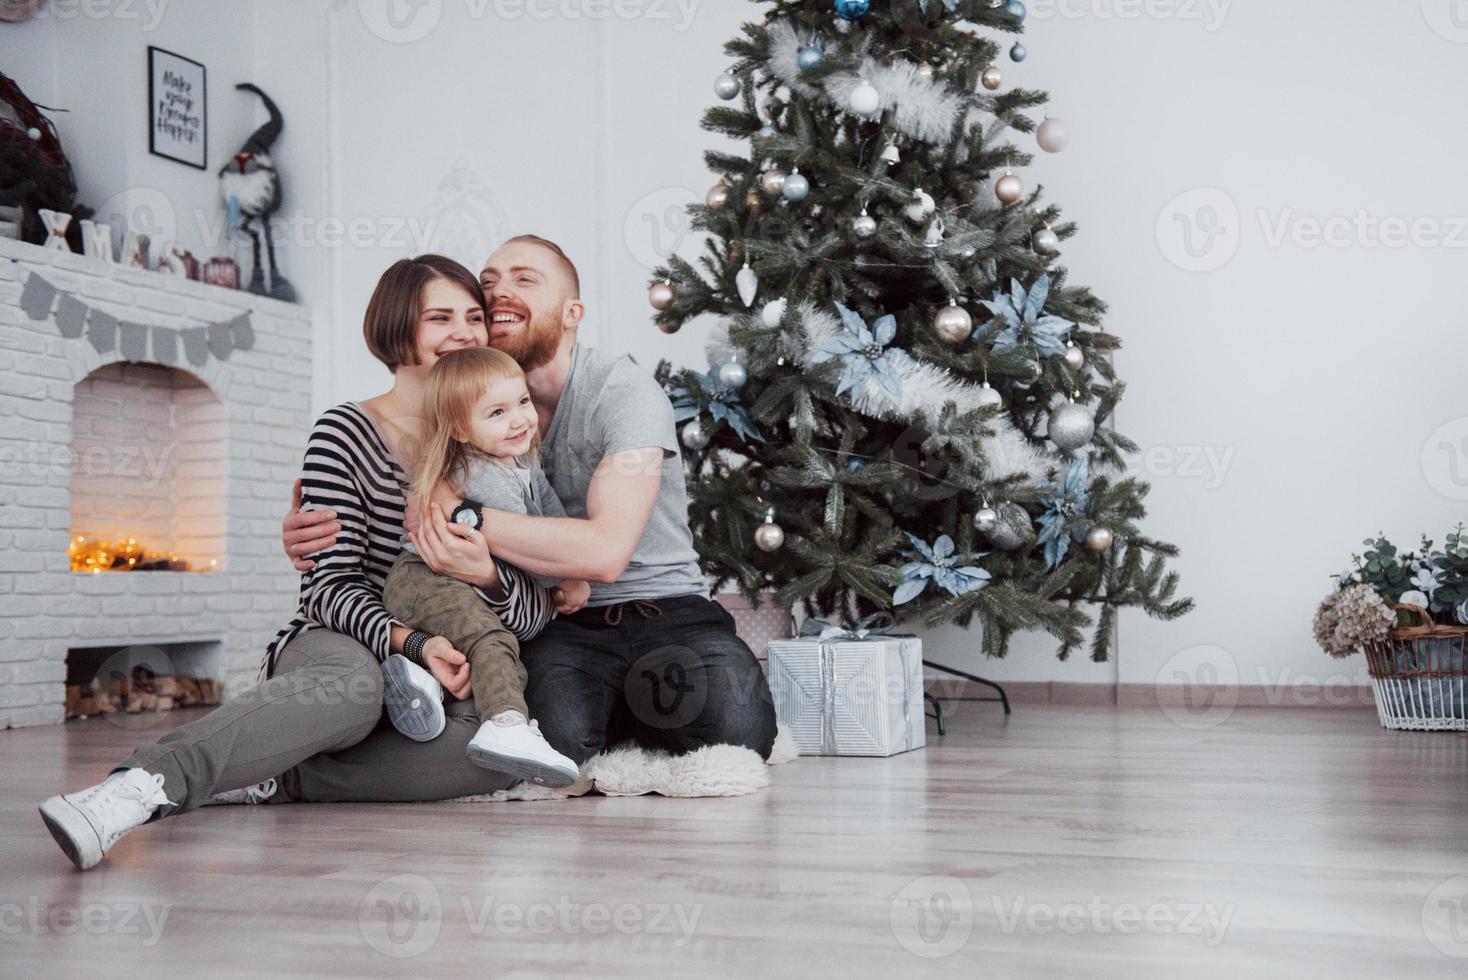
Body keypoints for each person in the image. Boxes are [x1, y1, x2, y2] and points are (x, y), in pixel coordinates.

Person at [39, 255, 550, 872]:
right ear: (398, 331)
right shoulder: (345, 432)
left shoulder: (498, 448)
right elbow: (327, 587)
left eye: (473, 316)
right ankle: (138, 786)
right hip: (345, 640)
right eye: (439, 317)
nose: (464, 332)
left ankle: (275, 770)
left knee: (500, 740)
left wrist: (487, 579)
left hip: (451, 666)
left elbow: (529, 607)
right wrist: (410, 642)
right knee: (357, 689)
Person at [285, 235, 777, 767]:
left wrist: (464, 517)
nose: (499, 295)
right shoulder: (462, 416)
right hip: (557, 623)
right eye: (490, 282)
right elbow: (379, 489)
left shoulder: (622, 394)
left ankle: (633, 707)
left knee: (738, 733)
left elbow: (605, 554)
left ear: (572, 312)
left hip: (664, 608)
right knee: (557, 740)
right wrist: (310, 522)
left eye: (525, 280)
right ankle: (613, 711)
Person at [379, 346, 587, 787]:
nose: (519, 420)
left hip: (442, 583)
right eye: (497, 412)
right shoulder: (484, 475)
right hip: (425, 578)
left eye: (523, 402)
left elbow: (548, 516)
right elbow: (527, 551)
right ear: (459, 428)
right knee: (494, 639)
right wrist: (564, 577)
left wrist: (572, 562)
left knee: (473, 638)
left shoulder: (520, 456)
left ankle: (418, 681)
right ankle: (505, 725)